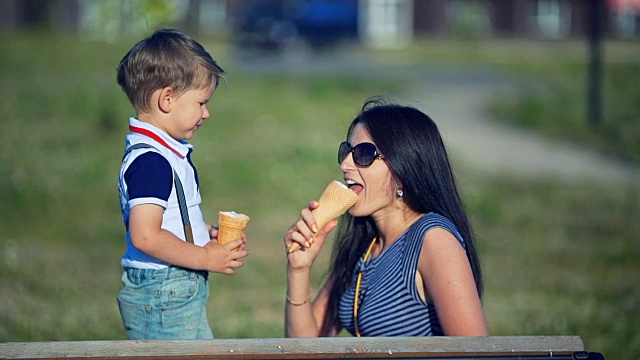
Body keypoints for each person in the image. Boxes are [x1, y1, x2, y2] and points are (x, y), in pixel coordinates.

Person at [284, 97, 487, 337]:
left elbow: (474, 349)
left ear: (404, 168)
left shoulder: (432, 239)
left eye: (364, 153)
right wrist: (299, 269)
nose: (346, 165)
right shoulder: (366, 246)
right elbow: (306, 346)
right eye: (346, 152)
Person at [116, 28, 249, 340]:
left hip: (173, 289)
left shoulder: (164, 153)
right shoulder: (152, 161)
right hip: (164, 291)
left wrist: (201, 233)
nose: (207, 113)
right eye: (201, 102)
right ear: (167, 98)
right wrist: (204, 257)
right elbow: (146, 235)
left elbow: (168, 219)